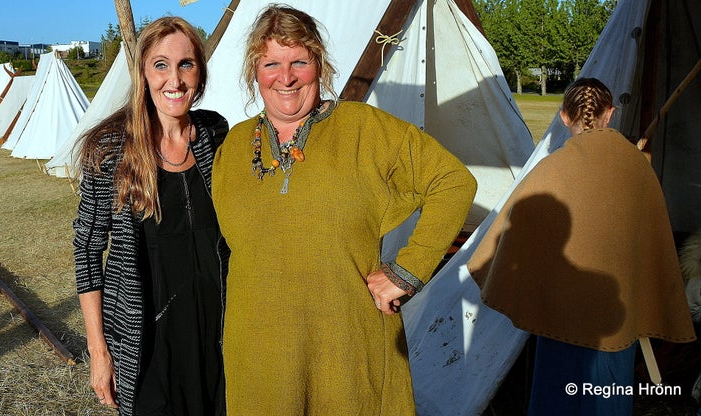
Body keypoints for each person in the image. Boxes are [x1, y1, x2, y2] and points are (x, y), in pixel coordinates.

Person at [210, 5, 477, 415]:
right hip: (259, 356)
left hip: (347, 350)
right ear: (254, 71)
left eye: (300, 61)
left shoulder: (365, 128)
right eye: (271, 64)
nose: (286, 77)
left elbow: (453, 182)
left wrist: (406, 271)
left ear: (320, 64)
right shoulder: (233, 147)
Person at [468, 78, 696, 415]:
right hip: (616, 321)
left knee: (557, 402)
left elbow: (506, 239)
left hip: (558, 319)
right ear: (611, 113)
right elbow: (653, 243)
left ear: (563, 117)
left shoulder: (551, 169)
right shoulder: (638, 169)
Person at [72, 16, 229, 416]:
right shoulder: (109, 148)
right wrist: (98, 351)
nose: (173, 80)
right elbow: (87, 251)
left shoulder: (215, 134)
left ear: (200, 71)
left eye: (185, 64)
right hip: (146, 338)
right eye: (160, 65)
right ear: (143, 72)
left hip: (217, 333)